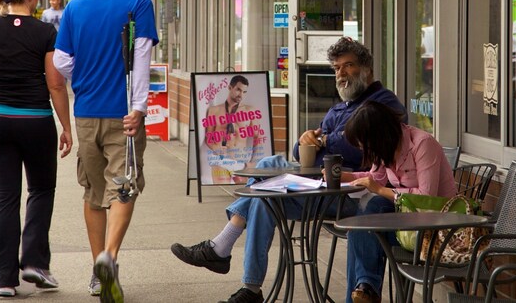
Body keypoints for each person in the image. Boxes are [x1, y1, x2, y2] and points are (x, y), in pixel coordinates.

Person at [170, 37, 406, 303]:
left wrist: (326, 140)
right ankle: (250, 288)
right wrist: (304, 140)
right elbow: (301, 155)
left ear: (367, 69)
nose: (340, 73)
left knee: (266, 183)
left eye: (348, 66)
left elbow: (365, 148)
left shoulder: (384, 102)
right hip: (318, 187)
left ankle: (222, 249)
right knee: (266, 188)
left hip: (353, 194)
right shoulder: (339, 108)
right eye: (336, 68)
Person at [52, 0, 158, 303]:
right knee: (124, 188)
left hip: (86, 113)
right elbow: (140, 58)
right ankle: (109, 259)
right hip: (124, 113)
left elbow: (62, 61)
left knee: (94, 193)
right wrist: (140, 108)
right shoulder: (138, 3)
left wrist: (84, 75)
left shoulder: (74, 7)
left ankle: (98, 273)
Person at [0, 0, 73, 298]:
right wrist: (66, 126)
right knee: (40, 190)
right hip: (35, 120)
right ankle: (36, 263)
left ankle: (4, 279)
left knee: (5, 196)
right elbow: (55, 83)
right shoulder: (44, 32)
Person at [341, 101, 456, 303]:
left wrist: (380, 190)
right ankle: (365, 289)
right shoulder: (384, 149)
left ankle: (366, 289)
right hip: (406, 226)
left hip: (436, 231)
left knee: (370, 216)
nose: (362, 149)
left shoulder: (422, 144)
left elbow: (426, 197)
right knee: (362, 225)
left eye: (363, 143)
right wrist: (344, 177)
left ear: (378, 136)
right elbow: (374, 178)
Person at [204, 75, 264, 184]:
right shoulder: (214, 110)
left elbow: (258, 137)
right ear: (230, 87)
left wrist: (254, 162)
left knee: (244, 194)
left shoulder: (249, 111)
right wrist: (215, 147)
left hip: (241, 161)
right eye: (238, 90)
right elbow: (209, 138)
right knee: (222, 192)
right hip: (221, 160)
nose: (241, 95)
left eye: (244, 92)